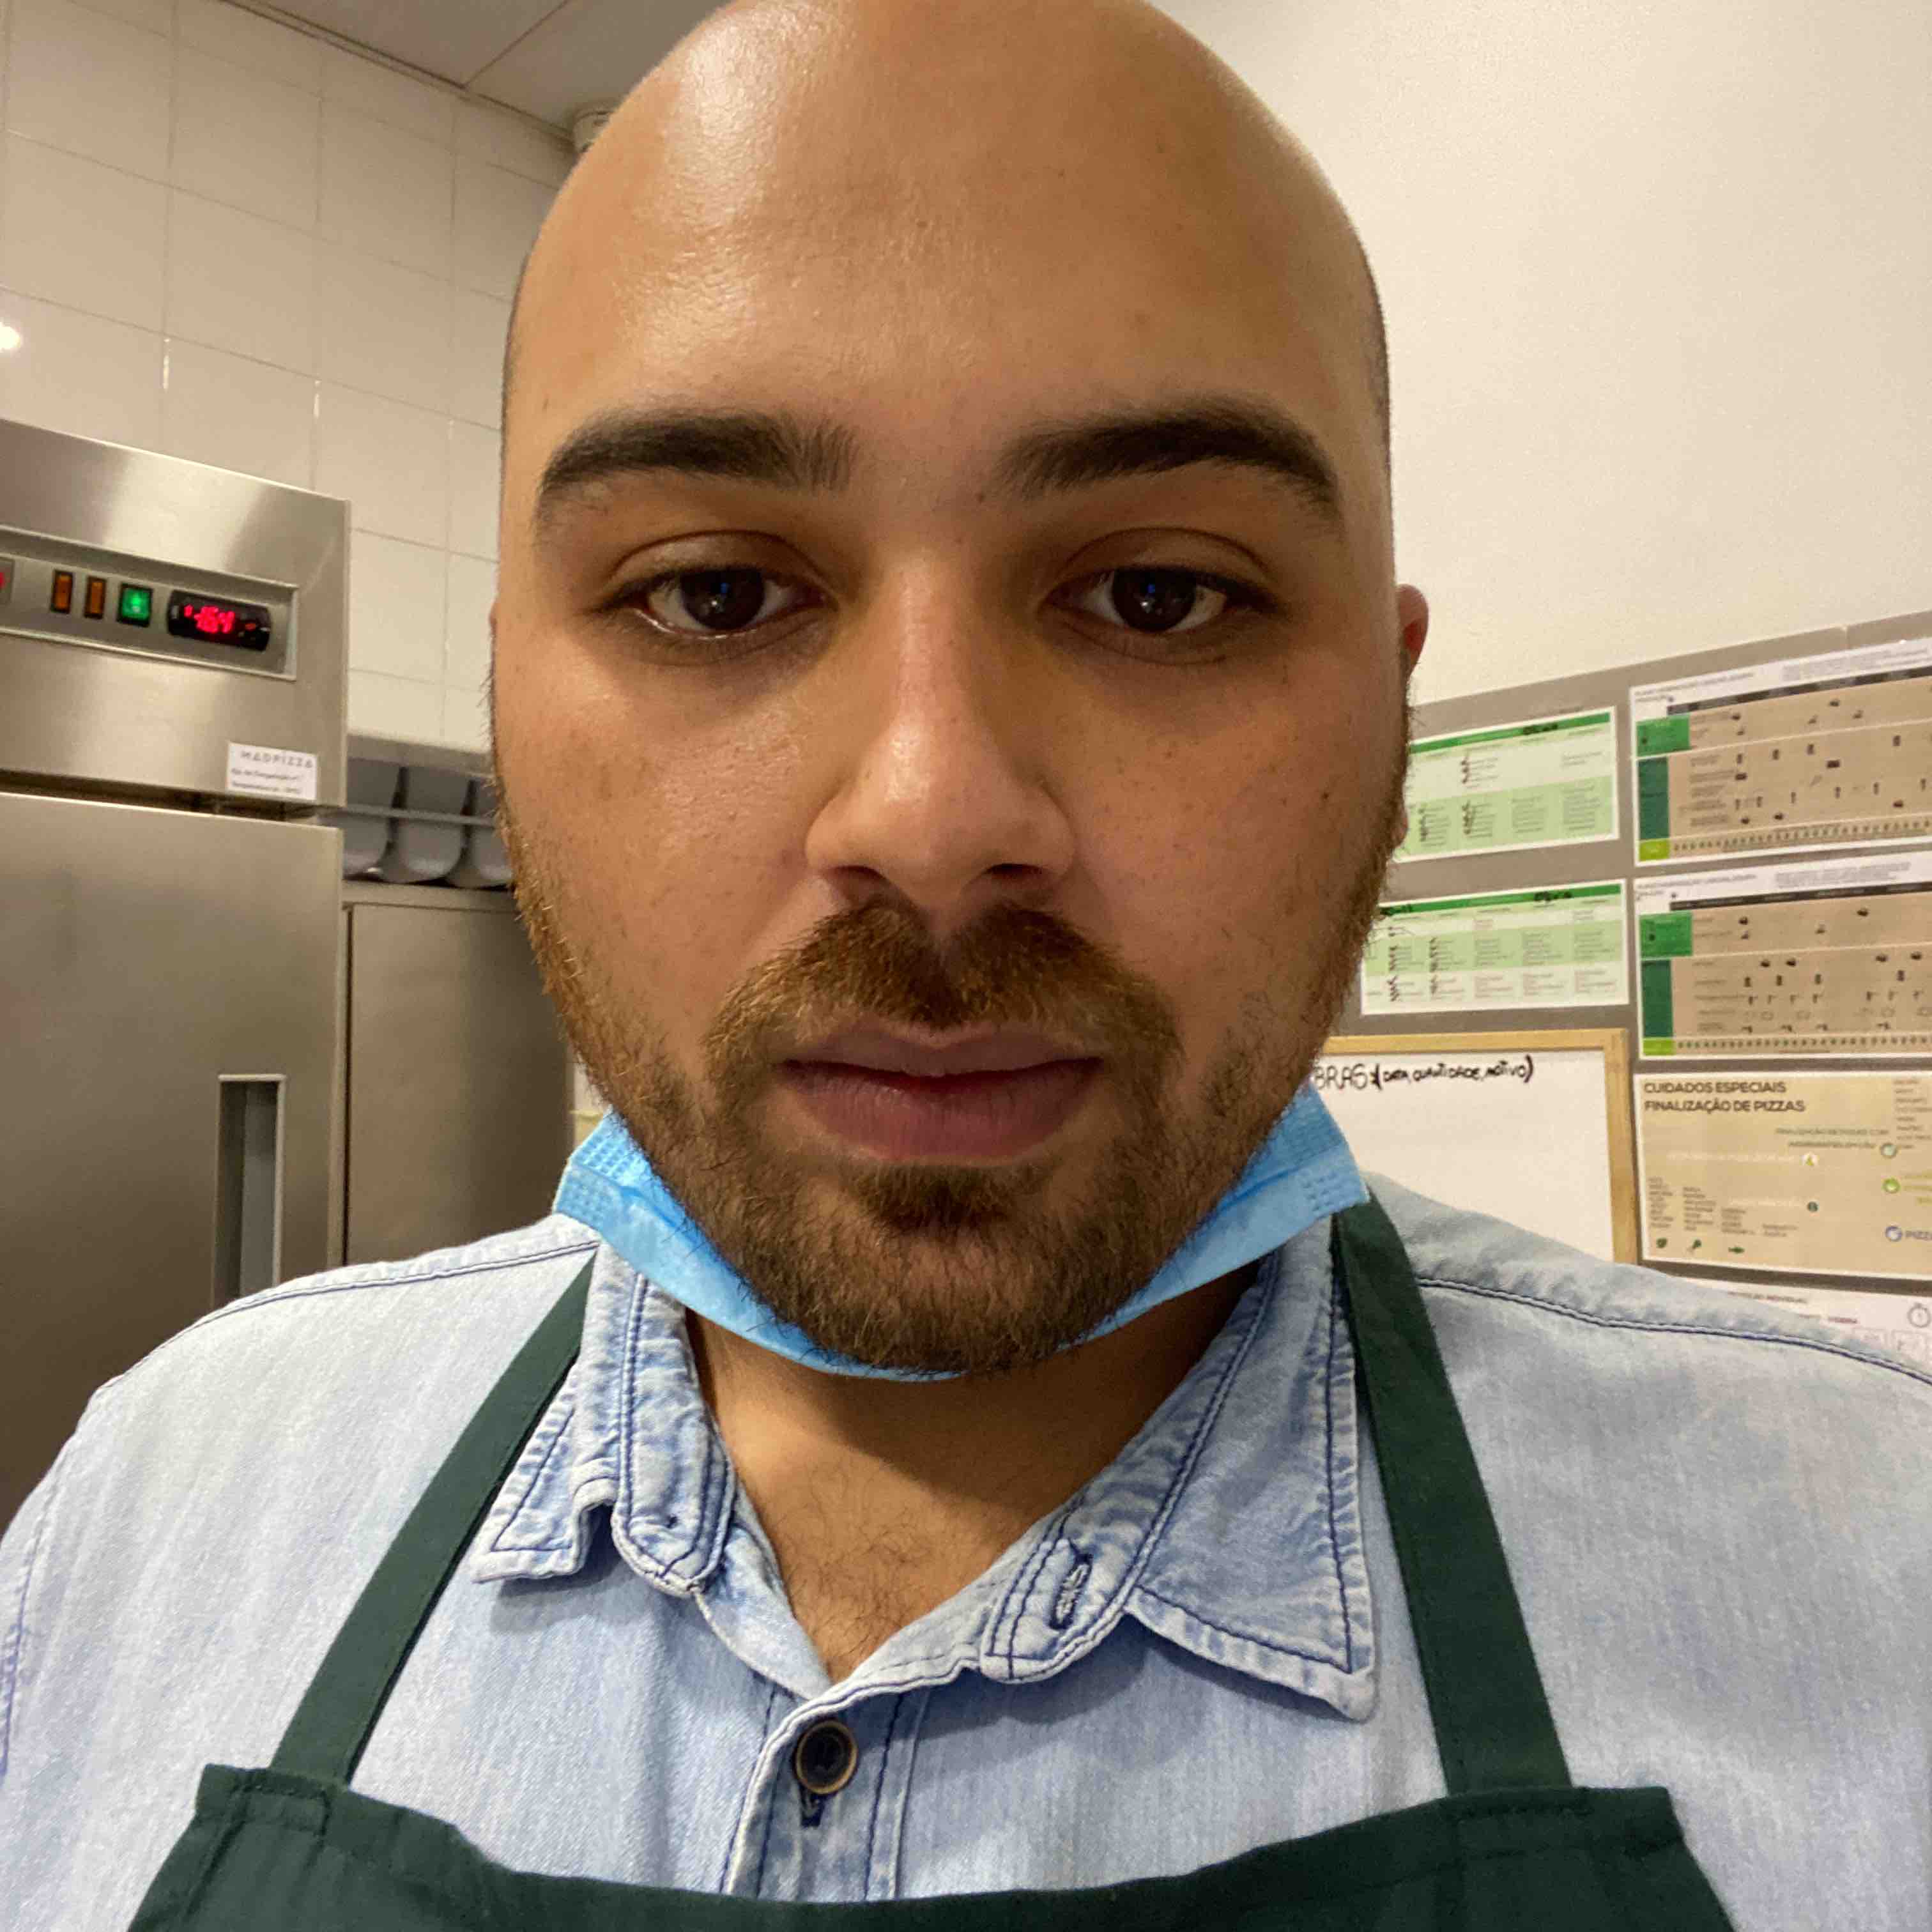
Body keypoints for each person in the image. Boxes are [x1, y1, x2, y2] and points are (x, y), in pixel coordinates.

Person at [1, 1, 1925, 1926]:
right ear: (512, 692)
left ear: (1389, 710)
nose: (930, 817)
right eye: (716, 595)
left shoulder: (1869, 1575)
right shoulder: (167, 1513)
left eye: (1159, 595)